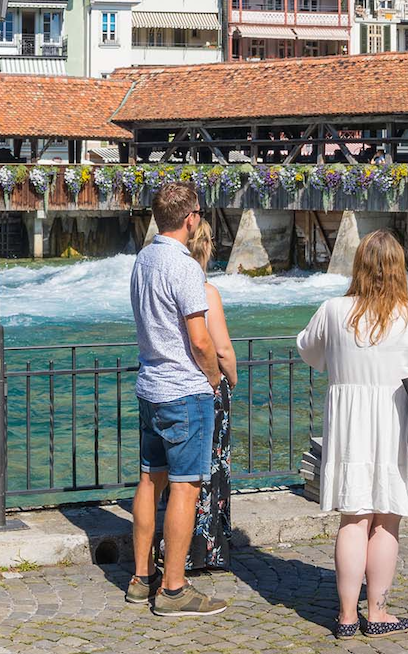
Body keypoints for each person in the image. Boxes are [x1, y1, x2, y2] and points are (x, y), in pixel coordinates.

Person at [297, 229, 408, 639]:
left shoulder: (333, 310)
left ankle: (346, 617)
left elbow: (309, 352)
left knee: (353, 518)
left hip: (350, 427)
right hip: (398, 425)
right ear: (399, 268)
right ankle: (376, 611)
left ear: (358, 265)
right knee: (386, 521)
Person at [126, 183, 228, 617]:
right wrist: (213, 377)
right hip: (184, 391)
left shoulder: (142, 259)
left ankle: (140, 577)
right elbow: (201, 339)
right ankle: (173, 589)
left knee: (150, 481)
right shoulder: (184, 266)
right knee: (185, 488)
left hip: (149, 385)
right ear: (191, 219)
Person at [164, 220, 236, 573]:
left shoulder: (164, 277)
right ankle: (204, 549)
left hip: (168, 387)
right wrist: (229, 378)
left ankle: (171, 550)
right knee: (205, 472)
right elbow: (219, 348)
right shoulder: (206, 291)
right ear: (206, 247)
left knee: (174, 476)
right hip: (204, 388)